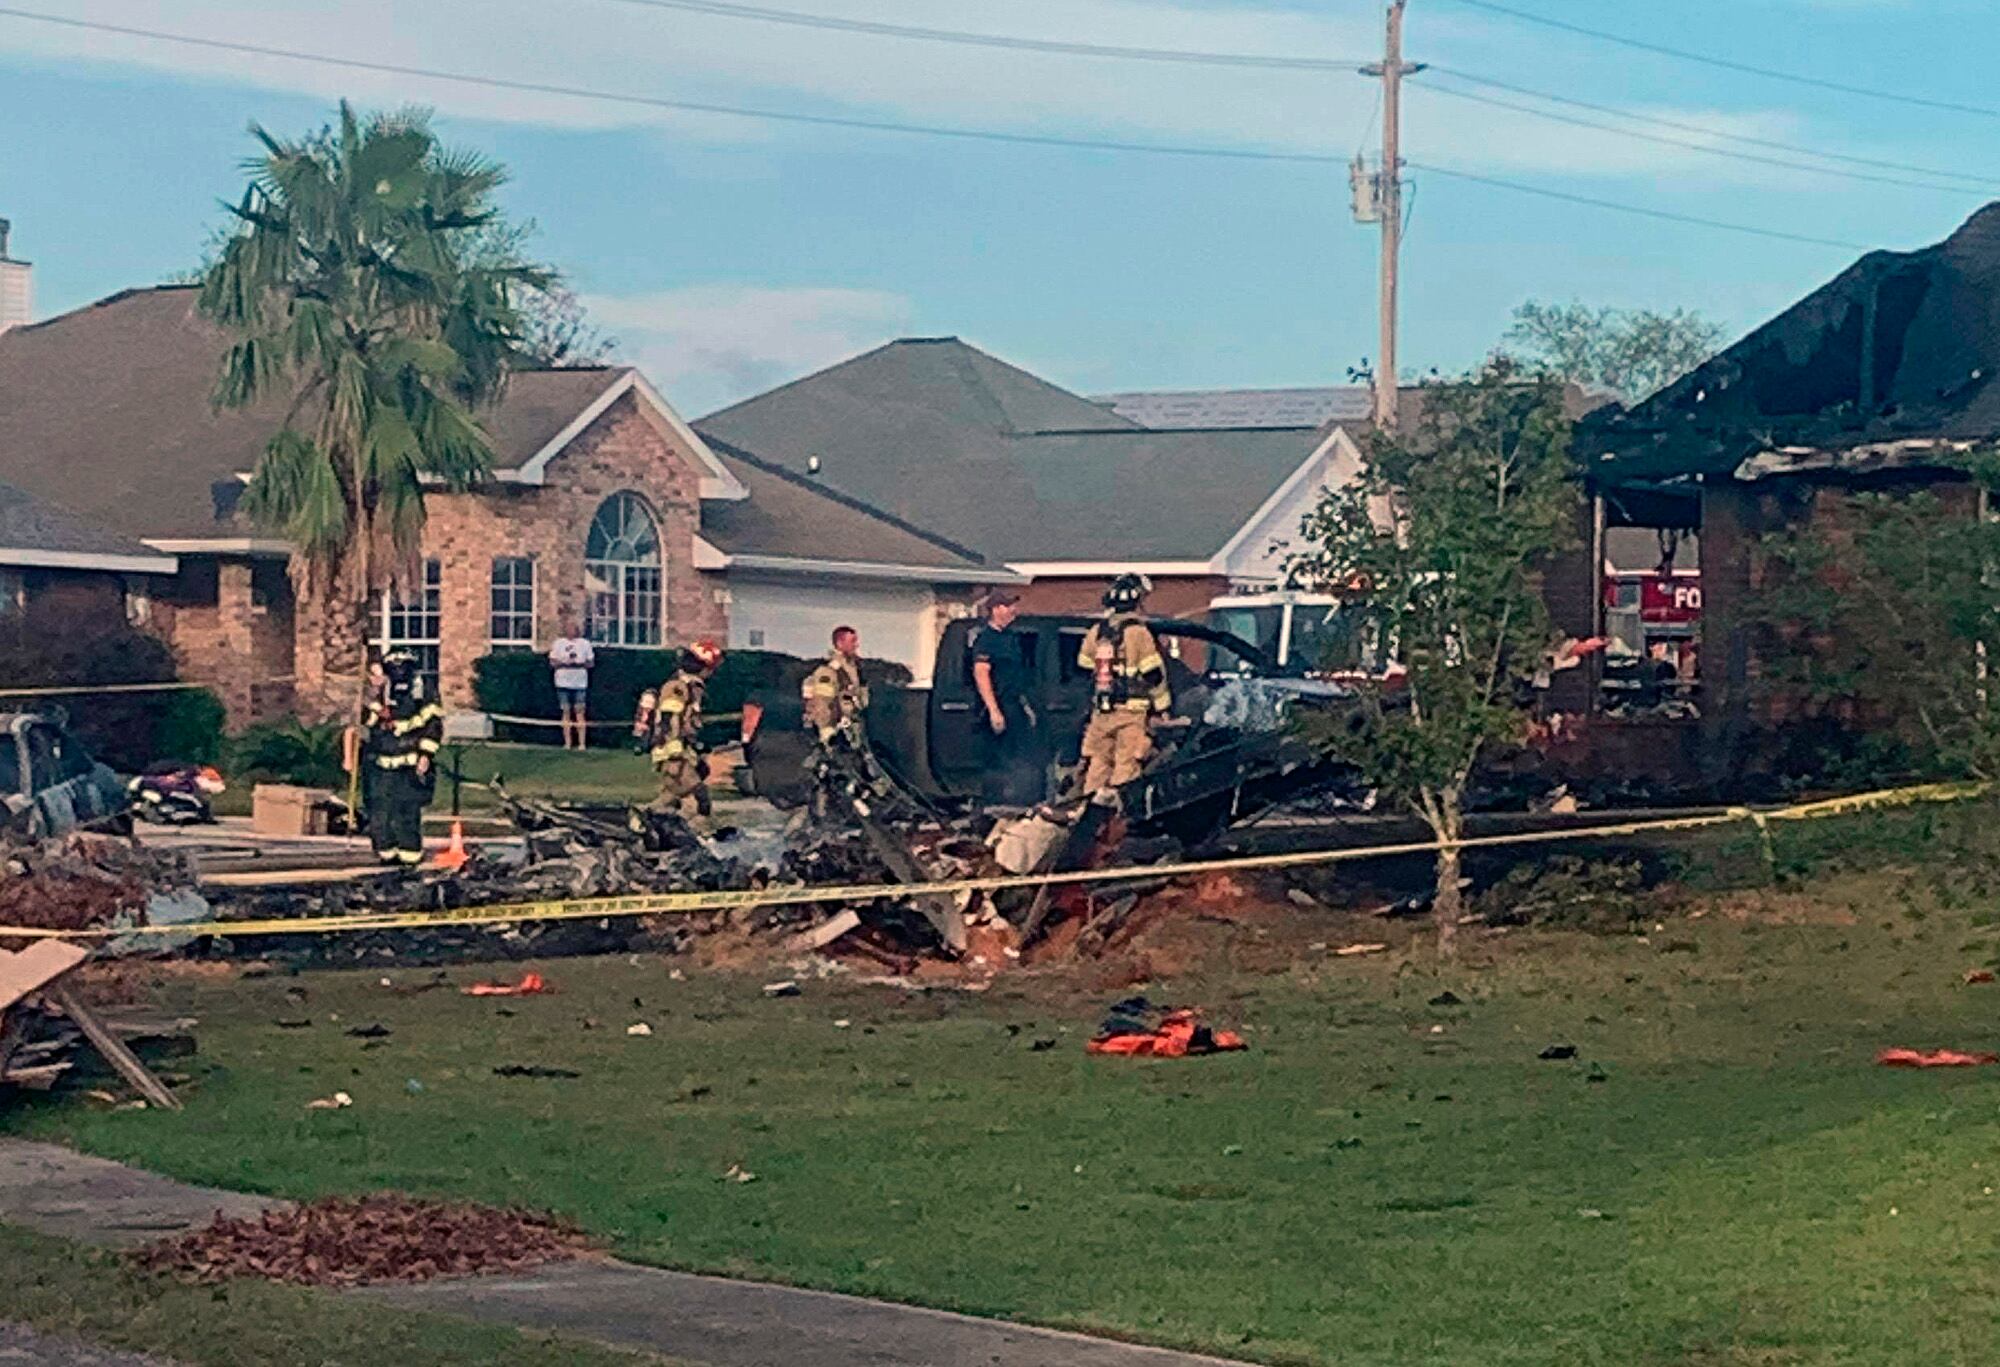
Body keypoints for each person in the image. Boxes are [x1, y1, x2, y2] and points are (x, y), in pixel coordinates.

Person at [1075, 573, 1171, 798]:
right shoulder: (1138, 633)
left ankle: (1089, 812)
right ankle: (1120, 815)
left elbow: (1083, 664)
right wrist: (1163, 708)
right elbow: (1153, 674)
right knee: (1126, 766)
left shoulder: (1097, 631)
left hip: (1102, 711)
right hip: (1131, 712)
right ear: (1137, 601)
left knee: (1098, 765)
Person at [368, 649, 443, 868]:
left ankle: (410, 857)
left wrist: (426, 755)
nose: (398, 671)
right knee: (380, 812)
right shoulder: (381, 692)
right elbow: (369, 721)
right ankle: (386, 854)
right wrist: (372, 695)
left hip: (410, 764)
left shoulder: (424, 691)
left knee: (406, 812)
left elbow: (433, 725)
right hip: (382, 763)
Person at [970, 591, 1041, 805]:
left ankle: (1018, 801)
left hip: (1015, 704)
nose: (1013, 610)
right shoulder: (986, 640)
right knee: (999, 759)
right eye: (1009, 606)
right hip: (998, 707)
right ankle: (995, 804)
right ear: (996, 609)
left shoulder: (1011, 638)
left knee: (1021, 755)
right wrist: (993, 710)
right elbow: (981, 673)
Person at [646, 639, 724, 821]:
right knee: (698, 794)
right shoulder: (678, 688)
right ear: (703, 667)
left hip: (682, 750)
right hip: (673, 751)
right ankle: (702, 828)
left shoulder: (691, 687)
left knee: (672, 795)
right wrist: (675, 751)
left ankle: (651, 820)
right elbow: (669, 719)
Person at [802, 625, 870, 744]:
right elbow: (822, 704)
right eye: (852, 641)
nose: (856, 645)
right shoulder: (829, 672)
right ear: (839, 644)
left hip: (852, 732)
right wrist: (828, 735)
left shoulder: (853, 671)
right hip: (836, 736)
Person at [548, 616, 596, 751]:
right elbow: (552, 662)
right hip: (562, 682)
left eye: (573, 628)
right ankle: (567, 743)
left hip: (580, 683)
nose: (571, 630)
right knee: (566, 711)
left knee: (580, 712)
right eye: (568, 628)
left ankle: (582, 743)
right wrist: (564, 663)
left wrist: (579, 664)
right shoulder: (558, 643)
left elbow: (591, 663)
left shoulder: (585, 644)